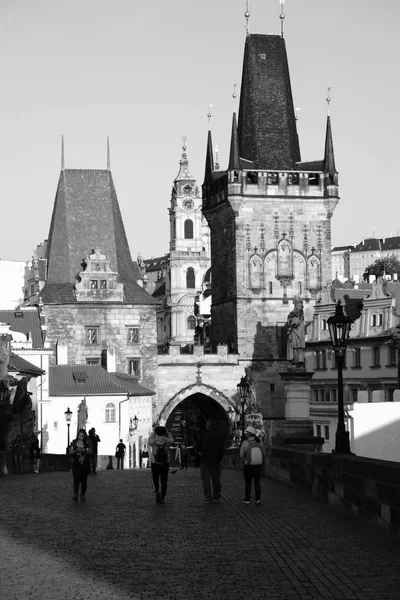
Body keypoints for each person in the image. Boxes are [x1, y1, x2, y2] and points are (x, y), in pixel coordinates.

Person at [194, 419, 225, 503]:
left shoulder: (203, 434)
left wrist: (200, 452)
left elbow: (196, 446)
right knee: (216, 479)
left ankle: (208, 498)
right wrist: (219, 458)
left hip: (205, 460)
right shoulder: (219, 434)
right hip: (216, 460)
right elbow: (222, 448)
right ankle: (216, 495)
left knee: (206, 480)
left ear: (207, 426)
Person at [239, 426, 266, 505]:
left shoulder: (245, 443)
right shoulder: (259, 441)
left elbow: (241, 455)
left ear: (248, 434)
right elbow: (264, 453)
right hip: (258, 465)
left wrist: (244, 461)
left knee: (248, 482)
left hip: (248, 465)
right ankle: (258, 499)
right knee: (257, 482)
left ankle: (247, 499)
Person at [148, 425, 174, 504]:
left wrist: (153, 433)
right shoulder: (167, 440)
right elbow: (172, 440)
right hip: (165, 463)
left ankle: (157, 492)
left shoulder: (153, 441)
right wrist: (168, 433)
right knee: (164, 480)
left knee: (155, 479)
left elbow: (149, 440)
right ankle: (163, 497)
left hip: (155, 462)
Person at [68, 429, 92, 502]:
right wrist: (76, 451)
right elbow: (70, 451)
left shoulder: (87, 443)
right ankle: (75, 494)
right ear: (78, 436)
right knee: (76, 479)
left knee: (84, 480)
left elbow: (91, 452)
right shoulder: (74, 443)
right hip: (76, 463)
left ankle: (82, 494)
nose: (81, 437)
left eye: (82, 436)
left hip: (85, 463)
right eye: (80, 436)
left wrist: (85, 451)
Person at [286, 295, 306, 366]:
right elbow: (289, 322)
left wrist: (291, 323)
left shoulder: (300, 312)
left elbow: (296, 322)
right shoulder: (293, 313)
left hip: (298, 332)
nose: (299, 306)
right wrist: (290, 323)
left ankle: (298, 362)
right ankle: (294, 361)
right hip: (294, 331)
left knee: (298, 346)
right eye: (297, 304)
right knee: (294, 346)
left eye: (299, 304)